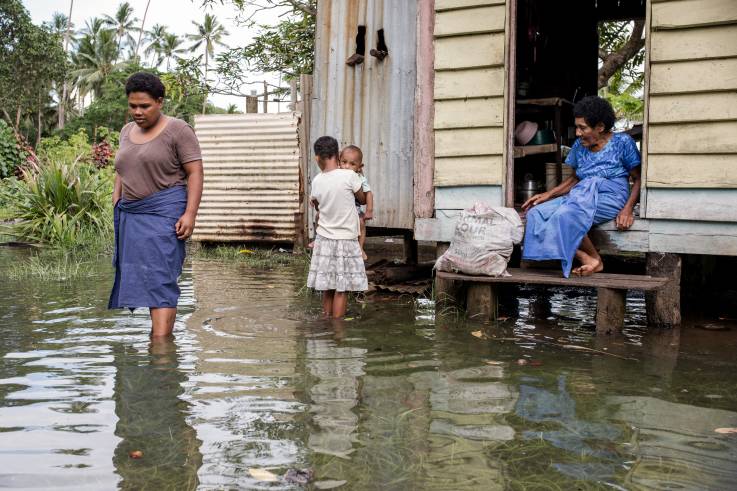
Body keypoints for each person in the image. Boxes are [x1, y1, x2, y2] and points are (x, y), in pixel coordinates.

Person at [108, 72, 204, 337]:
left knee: (160, 279)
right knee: (143, 277)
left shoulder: (178, 130)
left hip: (165, 213)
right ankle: (159, 344)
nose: (137, 112)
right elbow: (122, 167)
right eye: (133, 106)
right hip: (132, 215)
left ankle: (161, 348)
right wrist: (117, 196)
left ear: (160, 102)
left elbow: (195, 172)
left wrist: (190, 214)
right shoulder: (126, 131)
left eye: (145, 106)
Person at [521, 96, 641, 277]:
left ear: (600, 127)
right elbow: (576, 177)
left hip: (611, 195)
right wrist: (548, 194)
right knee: (536, 214)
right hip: (581, 194)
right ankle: (586, 257)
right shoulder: (580, 145)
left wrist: (627, 209)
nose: (577, 133)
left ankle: (594, 258)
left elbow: (638, 178)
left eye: (582, 128)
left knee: (566, 215)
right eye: (577, 127)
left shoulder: (623, 142)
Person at [307, 136, 368, 318]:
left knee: (327, 285)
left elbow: (318, 206)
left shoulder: (317, 181)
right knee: (341, 289)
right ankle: (338, 330)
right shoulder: (350, 176)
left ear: (318, 157)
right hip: (346, 241)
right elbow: (363, 200)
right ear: (337, 154)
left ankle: (326, 320)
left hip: (324, 241)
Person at [339, 145, 374, 260]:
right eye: (344, 162)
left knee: (361, 223)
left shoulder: (360, 178)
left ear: (360, 167)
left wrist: (369, 211)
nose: (347, 166)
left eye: (352, 164)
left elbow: (368, 193)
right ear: (339, 162)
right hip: (339, 209)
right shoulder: (336, 175)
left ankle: (360, 247)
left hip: (355, 210)